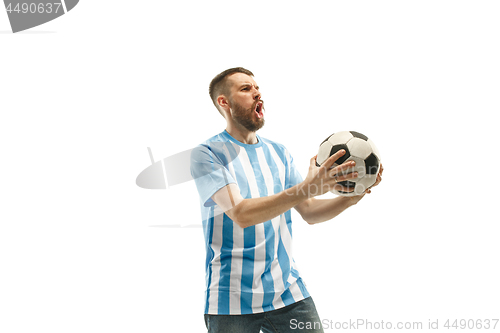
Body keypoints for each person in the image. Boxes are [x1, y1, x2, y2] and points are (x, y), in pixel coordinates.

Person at [190, 67, 383, 333]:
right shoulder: (207, 154)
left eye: (258, 89)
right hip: (231, 301)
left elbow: (310, 212)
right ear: (224, 102)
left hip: (288, 293)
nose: (257, 93)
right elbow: (242, 214)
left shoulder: (279, 152)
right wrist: (306, 188)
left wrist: (352, 197)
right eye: (246, 89)